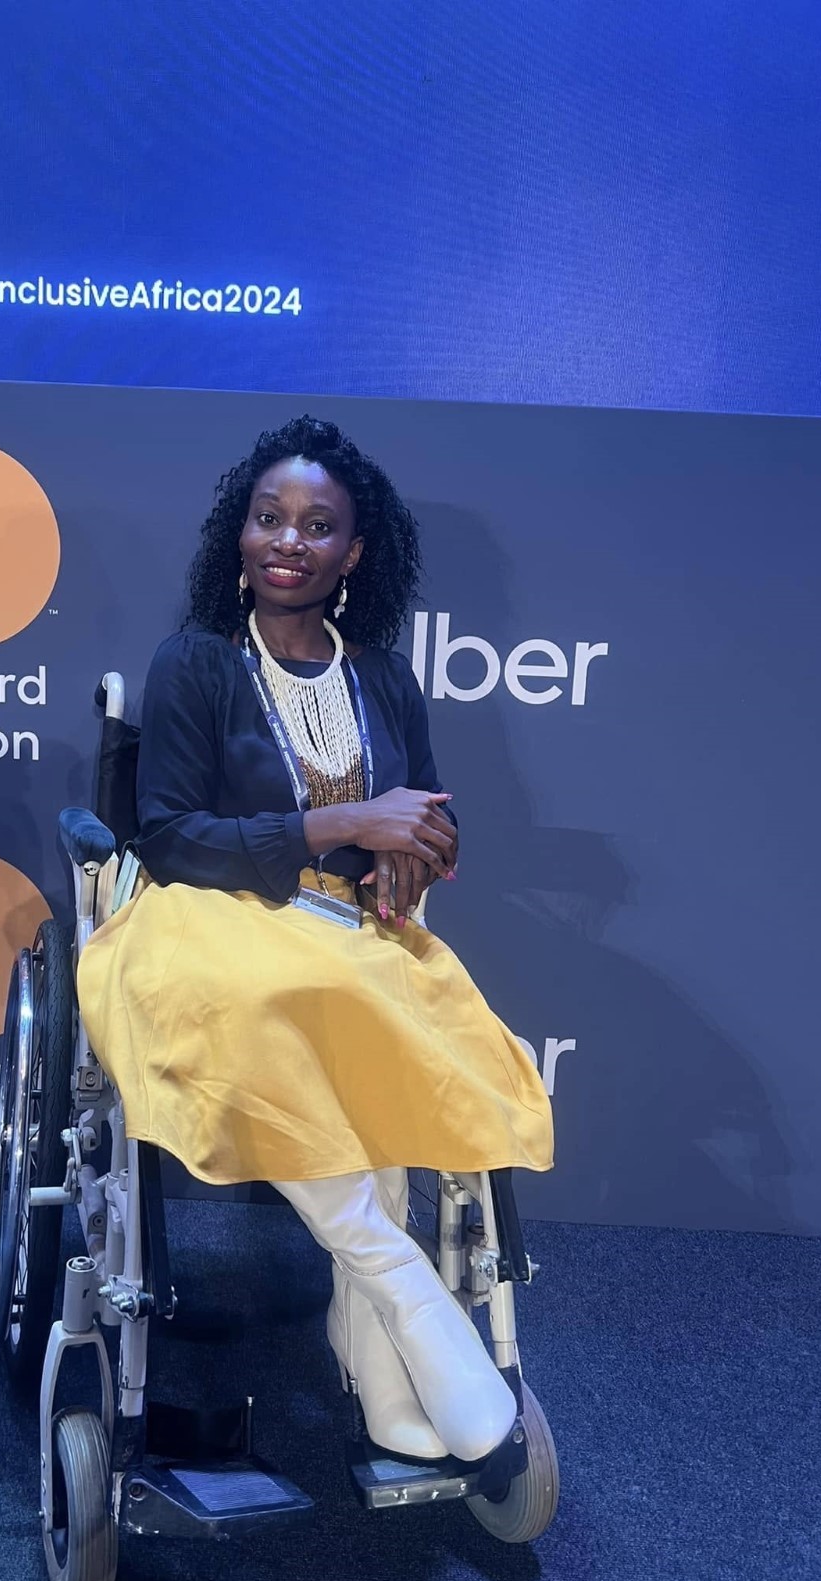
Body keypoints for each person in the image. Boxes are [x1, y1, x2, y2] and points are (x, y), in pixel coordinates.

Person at [77, 415, 554, 1465]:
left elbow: (428, 815)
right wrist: (347, 823)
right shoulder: (195, 662)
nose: (286, 539)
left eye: (316, 524)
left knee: (389, 1024)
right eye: (267, 516)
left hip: (348, 928)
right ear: (237, 535)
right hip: (208, 916)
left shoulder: (380, 674)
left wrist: (413, 853)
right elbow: (172, 836)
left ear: (354, 552)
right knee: (271, 1006)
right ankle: (392, 1280)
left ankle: (378, 1372)